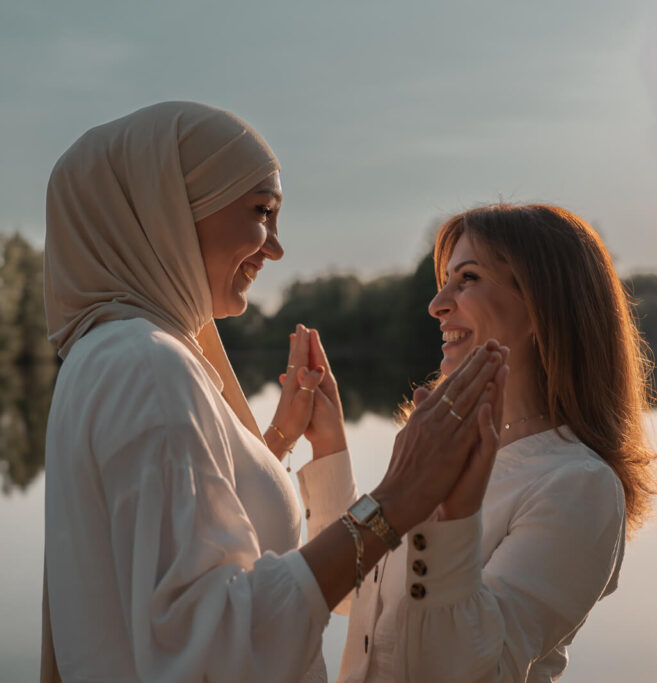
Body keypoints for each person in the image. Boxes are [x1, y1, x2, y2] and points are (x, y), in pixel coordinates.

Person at [39, 101, 509, 683]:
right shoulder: (146, 365)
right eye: (262, 211)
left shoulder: (104, 355)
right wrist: (400, 497)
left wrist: (276, 443)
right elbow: (210, 648)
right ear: (168, 211)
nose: (276, 247)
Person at [296, 203, 657, 682]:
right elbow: (353, 593)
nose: (437, 303)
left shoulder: (578, 486)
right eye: (445, 279)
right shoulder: (439, 445)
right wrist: (328, 448)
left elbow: (480, 670)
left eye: (467, 278)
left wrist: (452, 518)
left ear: (541, 307)